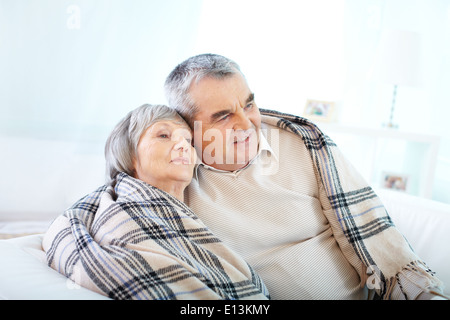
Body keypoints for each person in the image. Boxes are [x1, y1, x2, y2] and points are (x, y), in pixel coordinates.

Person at [164, 53, 446, 300]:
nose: (247, 123)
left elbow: (381, 242)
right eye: (224, 116)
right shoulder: (176, 185)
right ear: (187, 127)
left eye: (249, 104)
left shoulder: (304, 145)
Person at [42, 104, 269, 300]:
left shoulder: (201, 211)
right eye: (164, 135)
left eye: (188, 140)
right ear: (129, 153)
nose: (183, 146)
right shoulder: (120, 215)